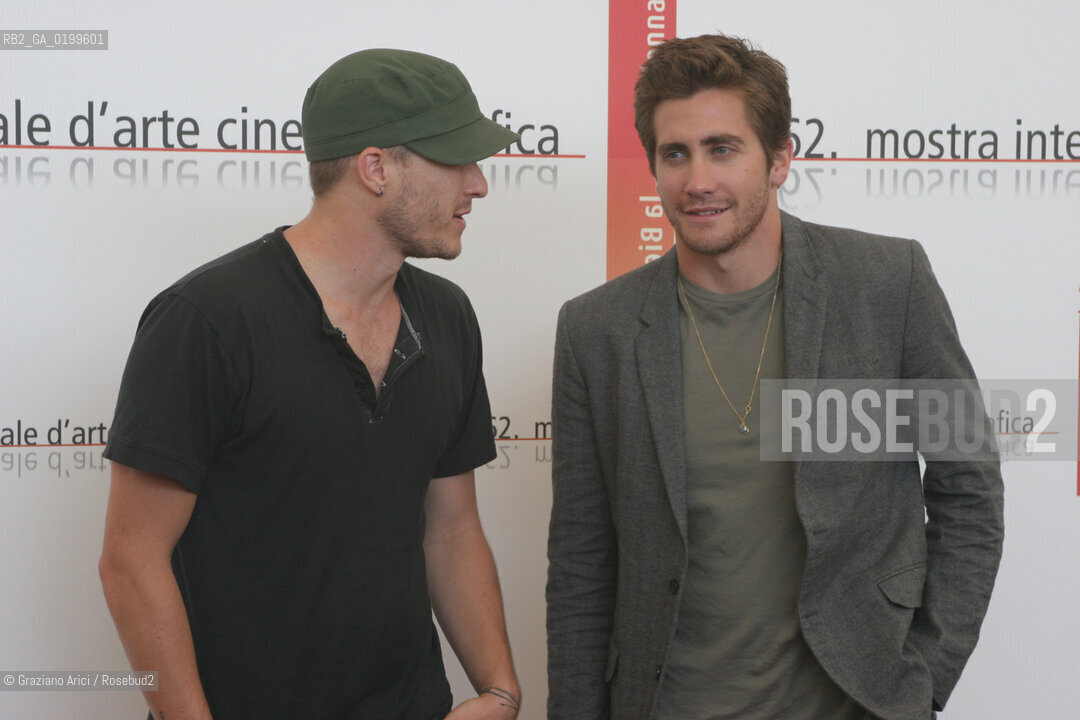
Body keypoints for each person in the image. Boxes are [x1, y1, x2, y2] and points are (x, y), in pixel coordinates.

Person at [546, 34, 1003, 720]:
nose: (697, 179)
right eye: (676, 154)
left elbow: (968, 490)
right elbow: (582, 559)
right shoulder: (597, 330)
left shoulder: (885, 285)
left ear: (781, 158)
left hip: (856, 702)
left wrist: (923, 684)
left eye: (722, 148)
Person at [99, 49, 522, 720]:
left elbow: (450, 528)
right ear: (376, 167)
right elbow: (131, 561)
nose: (478, 184)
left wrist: (500, 690)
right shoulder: (206, 321)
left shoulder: (447, 318)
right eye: (456, 159)